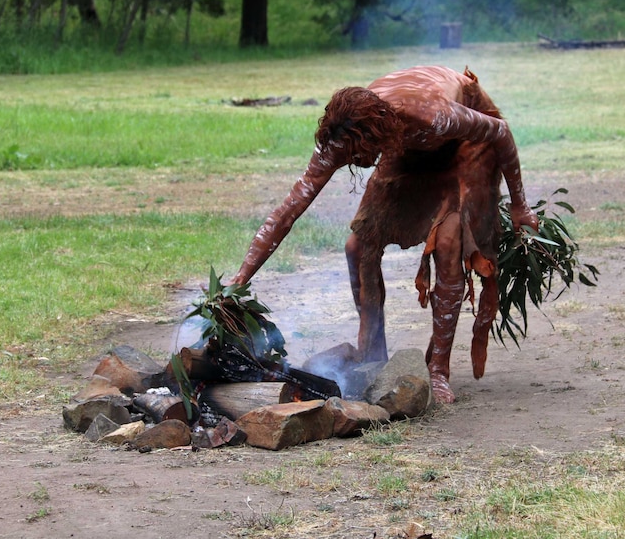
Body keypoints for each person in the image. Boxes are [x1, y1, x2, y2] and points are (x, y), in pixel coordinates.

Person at [230, 65, 538, 403]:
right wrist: (239, 280)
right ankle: (373, 356)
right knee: (357, 246)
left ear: (372, 139)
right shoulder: (345, 134)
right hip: (401, 140)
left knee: (449, 243)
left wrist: (521, 206)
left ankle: (438, 370)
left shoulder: (435, 117)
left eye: (357, 156)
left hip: (463, 146)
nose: (354, 164)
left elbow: (500, 131)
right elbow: (291, 207)